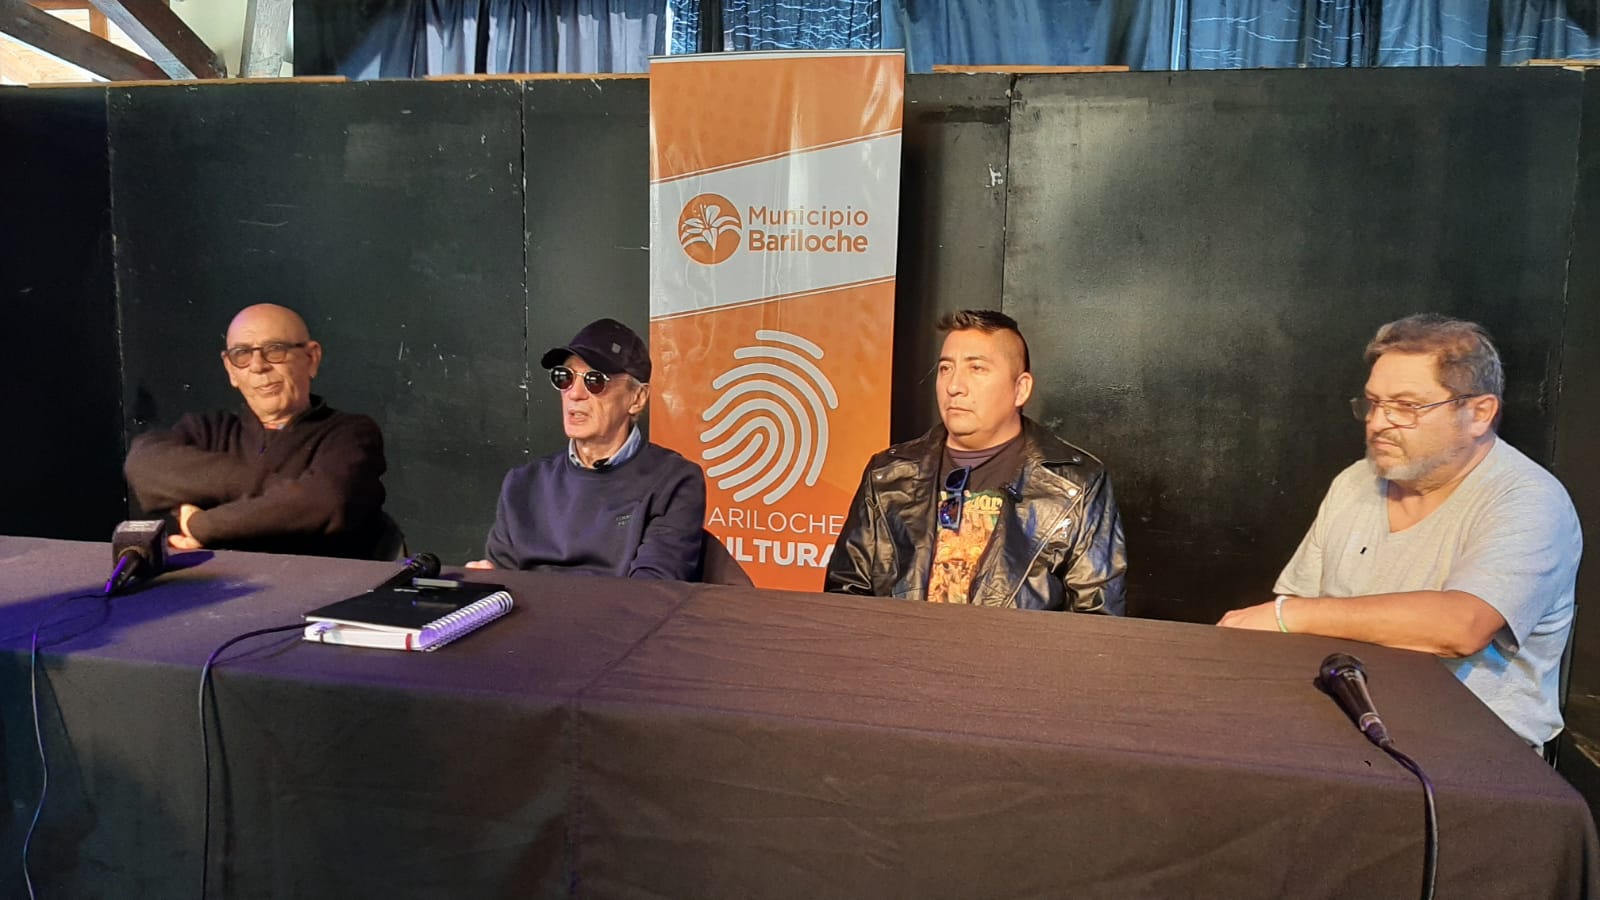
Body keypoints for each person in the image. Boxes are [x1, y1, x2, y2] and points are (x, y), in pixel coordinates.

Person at [1219, 314, 1582, 750]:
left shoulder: (1529, 499)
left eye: (1406, 407)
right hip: (1339, 726)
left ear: (1479, 413)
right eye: (1373, 403)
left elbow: (1462, 626)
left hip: (1470, 746)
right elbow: (1296, 610)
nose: (1377, 422)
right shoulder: (1355, 483)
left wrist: (1288, 615)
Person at [824, 309, 1126, 611]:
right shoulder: (888, 474)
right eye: (945, 368)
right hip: (899, 644)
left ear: (1020, 389)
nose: (954, 386)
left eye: (977, 368)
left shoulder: (1075, 484)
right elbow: (845, 599)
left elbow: (1096, 616)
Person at [123, 303, 388, 558]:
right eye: (242, 354)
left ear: (311, 358)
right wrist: (282, 492)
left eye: (275, 350)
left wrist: (201, 525)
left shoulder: (350, 434)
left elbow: (326, 503)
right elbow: (143, 464)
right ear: (230, 369)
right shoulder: (207, 430)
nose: (258, 366)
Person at [469, 318, 706, 580]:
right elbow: (504, 582)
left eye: (595, 381)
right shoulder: (522, 484)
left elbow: (652, 591)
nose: (574, 394)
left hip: (622, 609)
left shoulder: (674, 482)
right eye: (565, 378)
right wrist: (489, 583)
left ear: (637, 398)